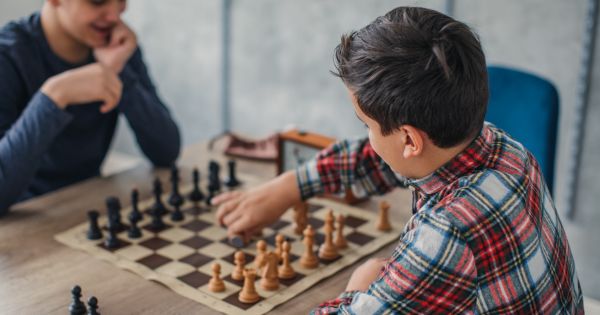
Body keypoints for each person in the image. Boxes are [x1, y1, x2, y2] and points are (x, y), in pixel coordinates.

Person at [214, 7, 583, 314]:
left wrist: (358, 290)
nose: (368, 139)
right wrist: (290, 186)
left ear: (408, 138)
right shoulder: (506, 150)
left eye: (368, 126)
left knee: (368, 270)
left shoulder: (448, 232)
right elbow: (377, 160)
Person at [0, 0, 180, 214]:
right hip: (22, 224)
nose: (115, 15)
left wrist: (117, 71)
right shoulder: (8, 56)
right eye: (98, 1)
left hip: (88, 207)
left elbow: (166, 151)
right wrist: (54, 97)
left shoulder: (116, 43)